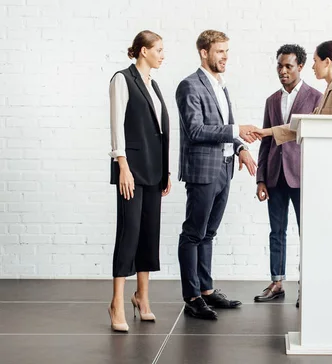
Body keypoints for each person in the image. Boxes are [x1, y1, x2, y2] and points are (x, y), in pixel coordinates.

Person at [175, 30, 259, 320]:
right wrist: (237, 131)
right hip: (203, 170)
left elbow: (227, 126)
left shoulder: (221, 85)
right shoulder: (189, 86)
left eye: (227, 51)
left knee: (208, 233)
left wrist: (240, 149)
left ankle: (207, 290)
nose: (225, 56)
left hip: (224, 168)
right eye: (220, 51)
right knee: (193, 233)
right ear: (203, 52)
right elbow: (196, 130)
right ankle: (192, 297)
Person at [108, 30, 171, 332]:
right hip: (131, 170)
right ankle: (116, 302)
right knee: (129, 232)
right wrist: (122, 165)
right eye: (158, 49)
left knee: (149, 233)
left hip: (154, 171)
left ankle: (142, 297)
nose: (162, 54)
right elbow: (117, 123)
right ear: (143, 51)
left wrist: (166, 171)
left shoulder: (153, 85)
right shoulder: (123, 79)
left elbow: (160, 131)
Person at [253, 44, 321, 306]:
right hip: (274, 176)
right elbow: (265, 141)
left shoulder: (316, 97)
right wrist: (260, 178)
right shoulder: (271, 100)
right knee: (276, 231)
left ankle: (308, 286)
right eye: (279, 66)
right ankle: (277, 282)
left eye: (288, 66)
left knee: (308, 233)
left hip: (303, 177)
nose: (283, 71)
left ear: (300, 67)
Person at [253, 40, 332, 146]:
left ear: (326, 62)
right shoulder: (331, 88)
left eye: (315, 61)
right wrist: (268, 132)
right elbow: (305, 124)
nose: (313, 66)